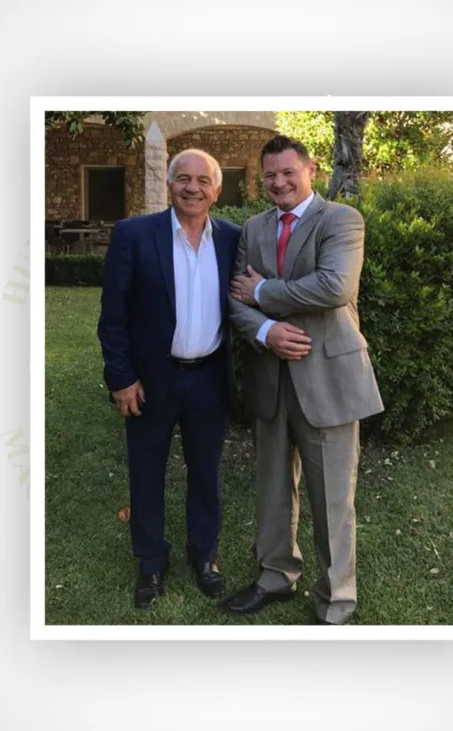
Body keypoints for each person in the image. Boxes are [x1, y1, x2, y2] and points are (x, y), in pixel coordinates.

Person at [224, 135, 384, 626]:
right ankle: (275, 575)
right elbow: (234, 298)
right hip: (269, 379)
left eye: (288, 172)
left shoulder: (340, 220)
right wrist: (266, 331)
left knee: (333, 499)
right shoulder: (253, 228)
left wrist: (264, 293)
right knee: (272, 490)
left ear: (311, 170)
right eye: (270, 175)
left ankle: (335, 601)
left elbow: (335, 286)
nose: (279, 182)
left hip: (328, 379)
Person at [97, 149, 241, 609]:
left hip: (209, 379)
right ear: (169, 184)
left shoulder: (233, 239)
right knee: (146, 472)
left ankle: (204, 556)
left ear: (217, 190)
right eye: (183, 178)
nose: (192, 188)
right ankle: (151, 562)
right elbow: (113, 317)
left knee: (206, 472)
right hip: (150, 380)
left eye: (203, 180)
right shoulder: (134, 235)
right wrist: (121, 379)